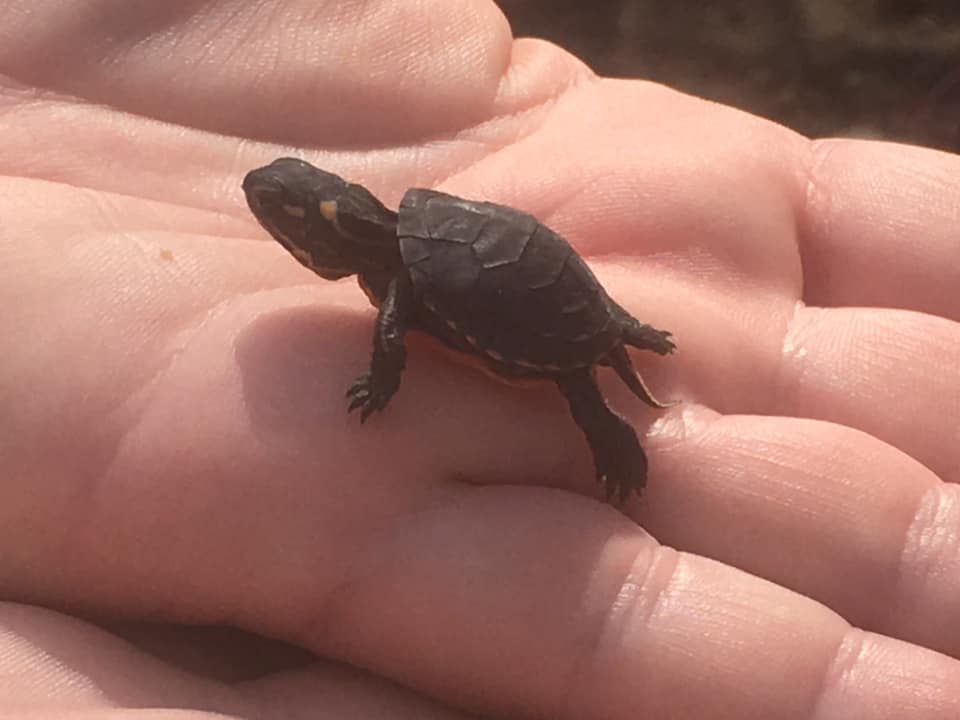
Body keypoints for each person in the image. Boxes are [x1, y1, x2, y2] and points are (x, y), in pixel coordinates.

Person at [1, 1, 958, 717]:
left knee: (577, 383)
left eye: (289, 211)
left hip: (532, 309)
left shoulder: (398, 280)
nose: (276, 211)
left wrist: (382, 383)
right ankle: (624, 327)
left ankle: (617, 416)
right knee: (576, 329)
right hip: (539, 278)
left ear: (327, 226)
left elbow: (399, 335)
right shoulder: (410, 229)